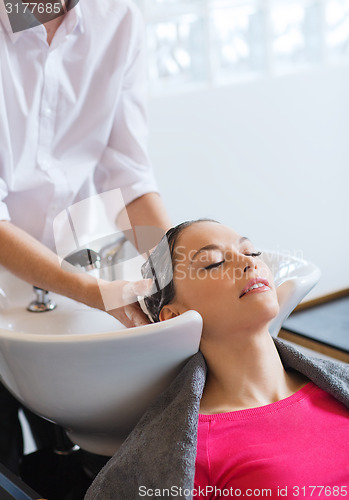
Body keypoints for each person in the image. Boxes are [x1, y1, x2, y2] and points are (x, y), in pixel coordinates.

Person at [0, 0, 171, 476]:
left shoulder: (118, 19)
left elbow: (130, 175)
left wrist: (172, 265)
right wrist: (94, 292)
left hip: (74, 265)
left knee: (77, 449)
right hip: (39, 280)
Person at [85, 219, 349, 499]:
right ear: (174, 316)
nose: (249, 263)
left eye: (250, 252)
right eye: (213, 263)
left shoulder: (335, 388)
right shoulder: (193, 451)